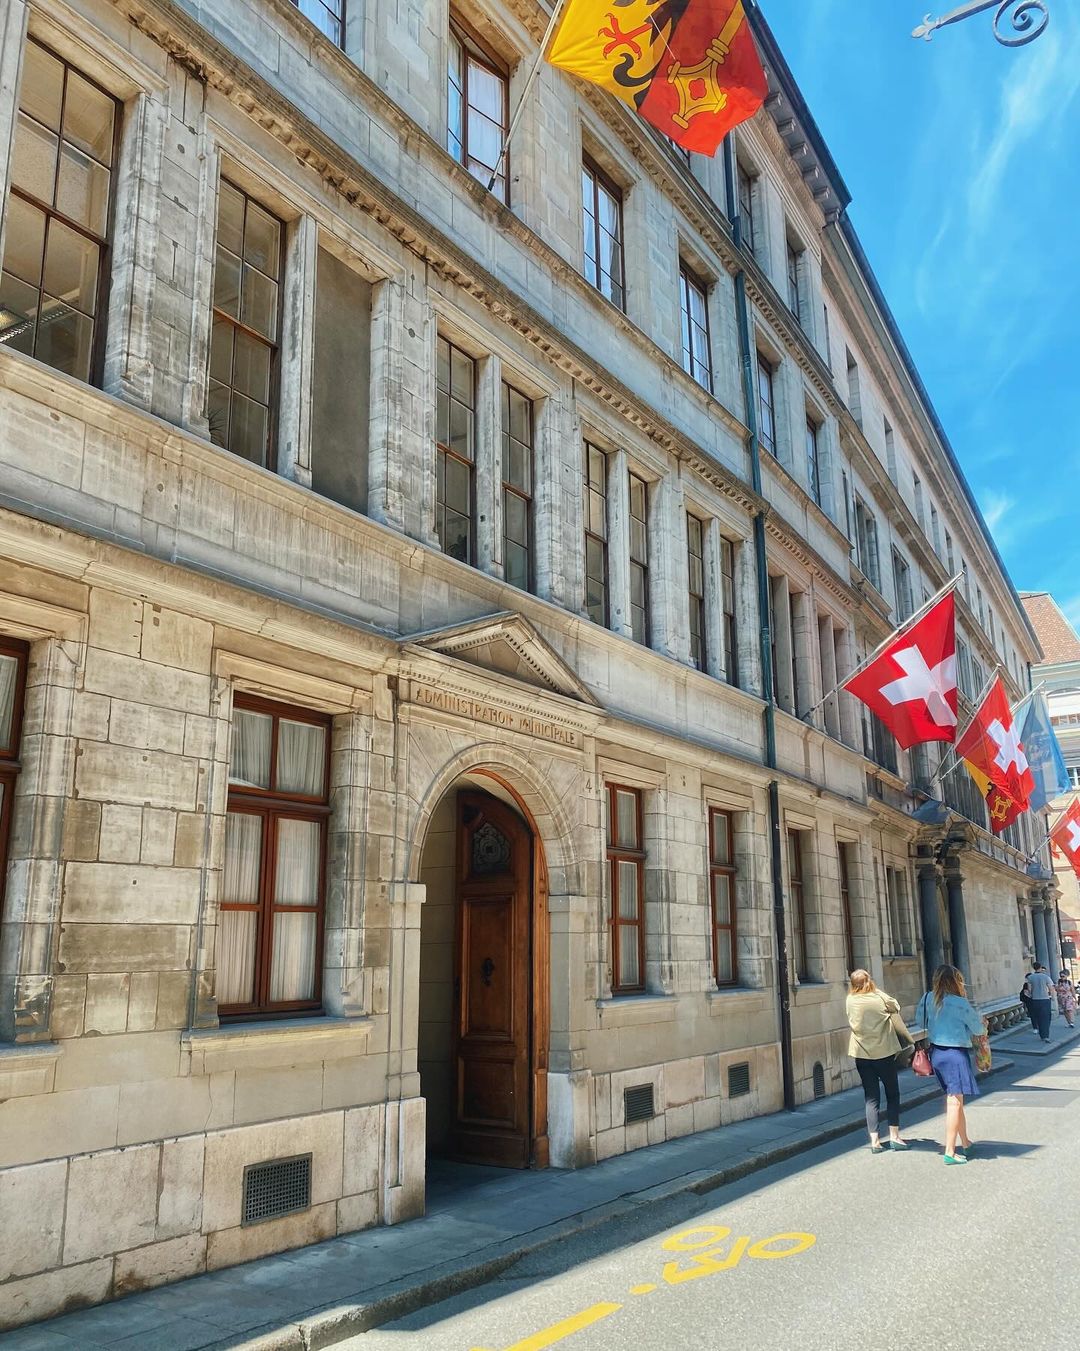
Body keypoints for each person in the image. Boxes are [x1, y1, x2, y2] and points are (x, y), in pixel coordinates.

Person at [917, 965, 986, 1165]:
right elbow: (977, 1029)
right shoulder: (960, 1003)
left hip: (936, 1053)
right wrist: (982, 1024)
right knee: (954, 1101)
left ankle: (966, 1142)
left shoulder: (927, 998)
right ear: (956, 981)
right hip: (956, 1054)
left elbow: (919, 1021)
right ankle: (949, 1151)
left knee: (957, 1100)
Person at [846, 969, 912, 1153]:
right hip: (883, 1054)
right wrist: (876, 990)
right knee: (892, 1094)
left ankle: (874, 1141)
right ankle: (894, 1136)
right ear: (869, 982)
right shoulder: (878, 998)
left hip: (861, 1054)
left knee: (871, 1097)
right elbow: (895, 1005)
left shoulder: (850, 1000)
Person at [1026, 963, 1055, 1042]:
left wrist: (1032, 995)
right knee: (1045, 1018)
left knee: (1038, 1017)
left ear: (1033, 968)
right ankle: (1046, 1036)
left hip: (1035, 1000)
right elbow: (1051, 988)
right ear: (1040, 968)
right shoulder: (1046, 977)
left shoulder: (1030, 977)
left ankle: (1041, 1034)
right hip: (1045, 999)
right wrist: (1052, 997)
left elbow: (1029, 989)